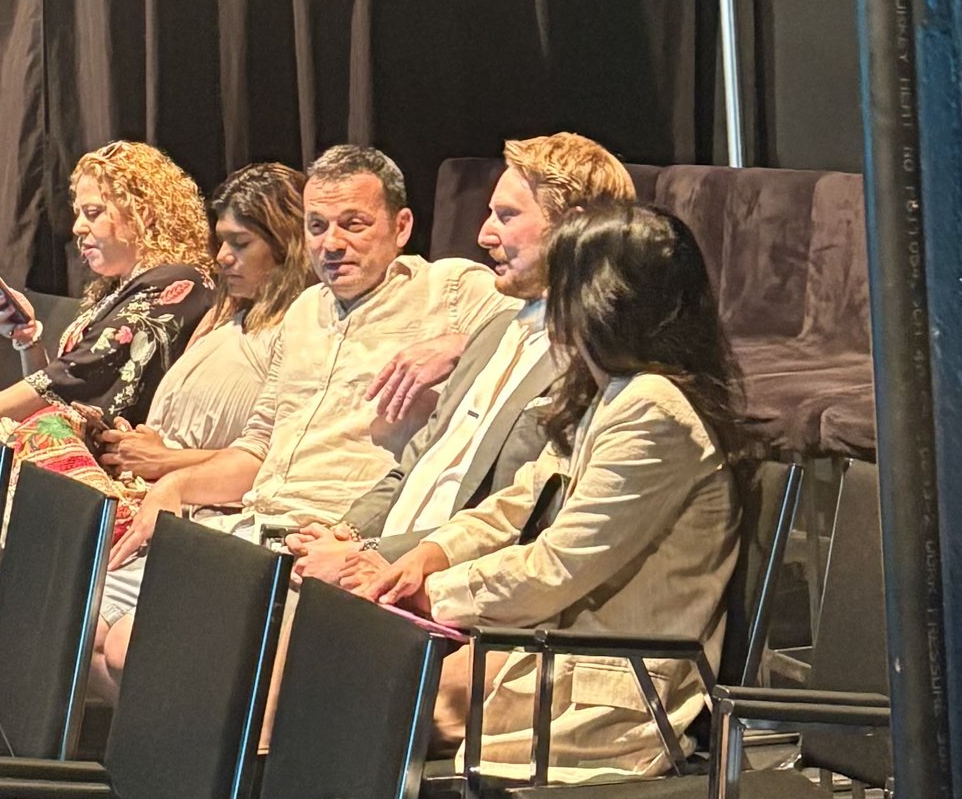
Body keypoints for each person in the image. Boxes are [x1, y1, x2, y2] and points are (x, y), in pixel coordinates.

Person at [371, 199, 756, 778]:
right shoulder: (611, 392)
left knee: (357, 709)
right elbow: (522, 500)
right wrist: (430, 556)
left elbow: (558, 567)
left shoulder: (654, 410)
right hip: (544, 653)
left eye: (562, 284)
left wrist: (432, 594)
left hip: (602, 689)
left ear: (597, 299)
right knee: (337, 682)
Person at [293, 133, 636, 597]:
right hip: (379, 570)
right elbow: (415, 463)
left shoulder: (597, 359)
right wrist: (345, 532)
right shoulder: (494, 331)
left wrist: (370, 555)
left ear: (571, 228)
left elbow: (522, 519)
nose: (484, 234)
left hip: (447, 592)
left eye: (507, 216)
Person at [114, 143, 498, 557]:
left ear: (401, 227)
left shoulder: (451, 287)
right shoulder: (303, 311)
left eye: (353, 224)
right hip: (247, 525)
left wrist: (462, 346)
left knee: (132, 619)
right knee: (90, 588)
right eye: (317, 226)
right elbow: (258, 449)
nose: (331, 244)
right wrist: (177, 484)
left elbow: (551, 332)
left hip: (338, 543)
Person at [86, 161, 308, 687]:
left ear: (284, 244)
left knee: (117, 642)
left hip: (205, 513)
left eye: (241, 243)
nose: (222, 257)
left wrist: (169, 464)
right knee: (58, 614)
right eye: (220, 241)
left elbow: (269, 451)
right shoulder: (228, 315)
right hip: (150, 498)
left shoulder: (295, 328)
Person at [0, 144, 212, 454]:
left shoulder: (176, 283)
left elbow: (72, 379)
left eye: (93, 213)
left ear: (143, 214)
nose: (78, 227)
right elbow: (59, 394)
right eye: (79, 213)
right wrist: (29, 340)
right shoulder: (119, 289)